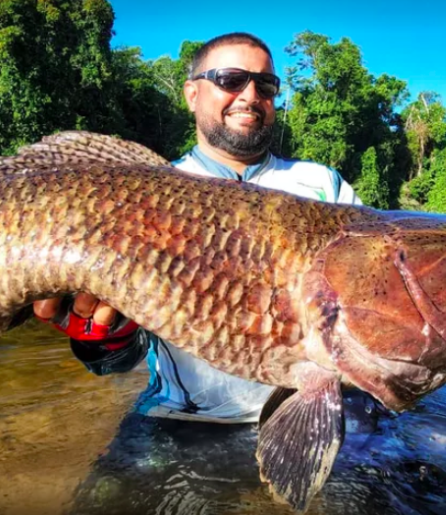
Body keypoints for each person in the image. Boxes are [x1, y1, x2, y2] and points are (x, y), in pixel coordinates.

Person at [33, 32, 362, 424]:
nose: (250, 95)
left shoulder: (325, 185)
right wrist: (104, 339)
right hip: (182, 422)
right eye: (230, 79)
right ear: (191, 94)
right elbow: (113, 366)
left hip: (317, 413)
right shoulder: (139, 190)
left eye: (266, 84)